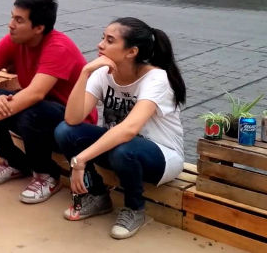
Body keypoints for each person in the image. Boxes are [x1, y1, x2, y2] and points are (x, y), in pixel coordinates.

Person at [54, 17, 185, 240]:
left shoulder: (156, 78)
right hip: (119, 150)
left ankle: (135, 209)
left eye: (110, 40)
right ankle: (97, 196)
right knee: (65, 131)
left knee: (125, 148)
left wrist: (80, 160)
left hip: (161, 156)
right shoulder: (102, 73)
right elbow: (73, 118)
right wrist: (85, 73)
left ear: (131, 51)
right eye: (102, 38)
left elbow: (129, 130)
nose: (100, 44)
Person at [0, 0, 96, 204]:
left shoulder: (58, 46)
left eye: (19, 20)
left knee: (30, 110)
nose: (10, 24)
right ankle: (14, 162)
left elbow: (35, 94)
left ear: (39, 28)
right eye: (11, 17)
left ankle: (47, 174)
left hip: (71, 125)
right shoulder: (13, 40)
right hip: (38, 113)